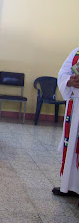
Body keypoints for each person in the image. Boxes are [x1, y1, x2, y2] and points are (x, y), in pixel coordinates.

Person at [52, 47, 79, 198]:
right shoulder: (77, 52)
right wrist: (69, 80)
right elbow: (62, 73)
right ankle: (69, 186)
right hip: (76, 107)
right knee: (73, 146)